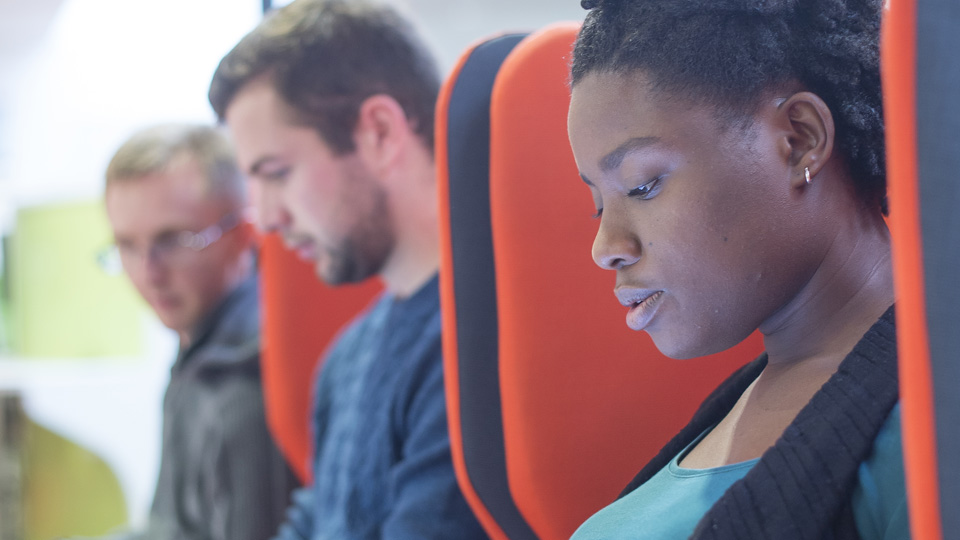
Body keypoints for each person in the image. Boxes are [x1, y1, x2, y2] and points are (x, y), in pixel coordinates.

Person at [565, 0, 906, 538]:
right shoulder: (740, 406)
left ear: (799, 140)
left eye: (642, 185)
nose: (605, 247)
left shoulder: (925, 426)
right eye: (599, 204)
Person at [207, 1, 488, 539]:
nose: (266, 217)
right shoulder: (348, 357)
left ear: (380, 132)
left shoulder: (473, 353)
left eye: (277, 173)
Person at [102, 124, 298, 540]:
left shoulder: (249, 381)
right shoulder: (202, 355)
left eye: (172, 240)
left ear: (244, 233)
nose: (148, 272)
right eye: (127, 246)